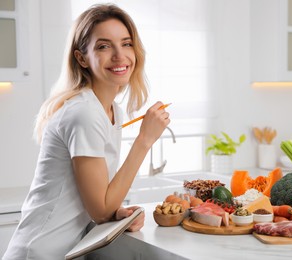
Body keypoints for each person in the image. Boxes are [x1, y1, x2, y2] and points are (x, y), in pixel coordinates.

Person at [2, 3, 170, 259]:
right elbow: (100, 210)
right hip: (40, 253)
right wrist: (145, 140)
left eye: (126, 43)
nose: (119, 55)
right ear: (81, 58)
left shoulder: (111, 110)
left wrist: (118, 214)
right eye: (104, 46)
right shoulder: (84, 113)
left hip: (65, 251)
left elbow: (100, 201)